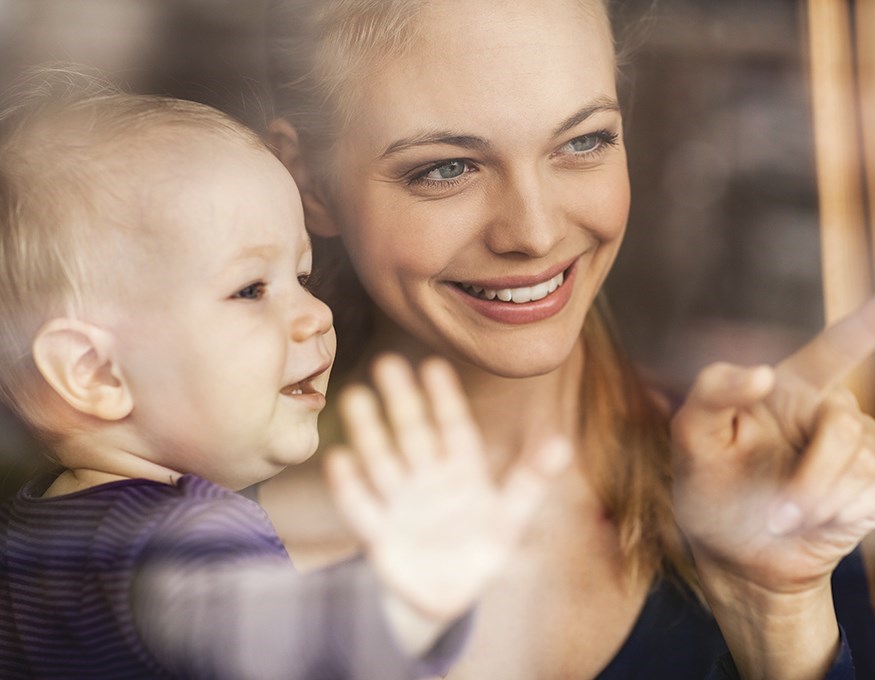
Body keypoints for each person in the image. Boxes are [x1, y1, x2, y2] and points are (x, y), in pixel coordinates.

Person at [258, 0, 875, 678]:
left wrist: (773, 611)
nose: (535, 232)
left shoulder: (758, 471)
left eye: (582, 142)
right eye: (446, 168)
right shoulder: (202, 541)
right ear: (309, 181)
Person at [0, 67, 570, 679]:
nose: (316, 314)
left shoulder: (33, 539)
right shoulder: (182, 536)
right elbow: (269, 640)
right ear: (96, 371)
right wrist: (403, 600)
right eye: (250, 290)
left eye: (300, 279)